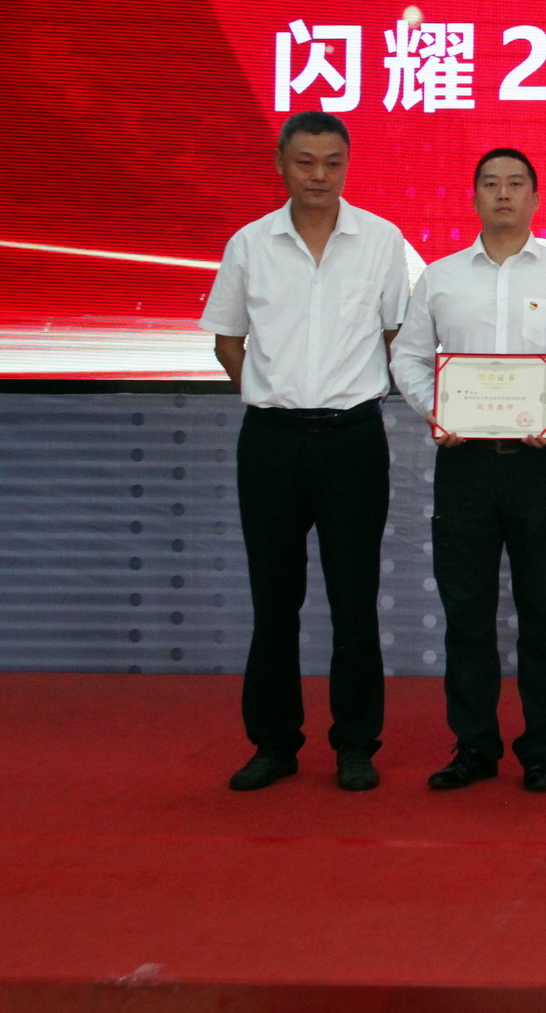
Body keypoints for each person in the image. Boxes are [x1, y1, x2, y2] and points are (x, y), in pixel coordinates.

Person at [200, 111, 412, 792]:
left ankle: (356, 743)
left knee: (355, 597)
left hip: (353, 439)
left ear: (347, 165)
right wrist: (271, 393)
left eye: (332, 163)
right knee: (274, 598)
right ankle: (273, 743)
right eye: (305, 162)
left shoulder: (381, 240)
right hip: (272, 441)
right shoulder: (249, 244)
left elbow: (399, 336)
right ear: (280, 164)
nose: (319, 175)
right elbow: (227, 340)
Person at [390, 148, 546, 794]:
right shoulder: (440, 278)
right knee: (467, 611)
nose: (503, 193)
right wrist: (437, 410)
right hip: (465, 463)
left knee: (542, 608)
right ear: (474, 197)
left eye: (515, 184)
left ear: (535, 197)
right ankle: (474, 744)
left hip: (537, 462)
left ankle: (540, 745)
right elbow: (408, 358)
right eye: (490, 183)